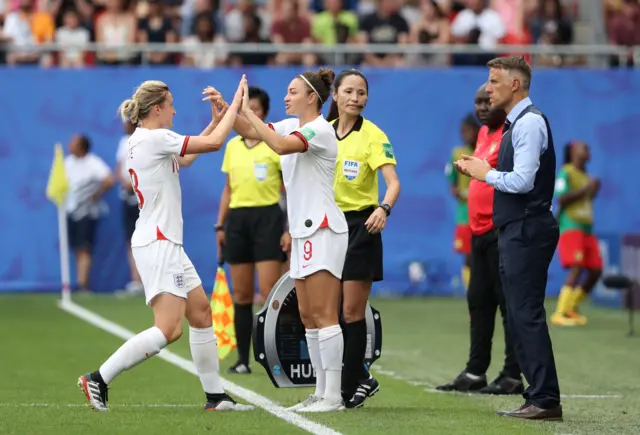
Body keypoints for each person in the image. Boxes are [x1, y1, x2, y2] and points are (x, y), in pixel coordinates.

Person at [77, 77, 255, 413]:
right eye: (171, 105)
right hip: (158, 242)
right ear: (157, 108)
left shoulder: (145, 139)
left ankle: (215, 397)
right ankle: (98, 378)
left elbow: (188, 157)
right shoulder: (154, 138)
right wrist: (235, 106)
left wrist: (216, 120)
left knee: (202, 314)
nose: (175, 110)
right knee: (169, 328)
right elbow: (215, 145)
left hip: (164, 241)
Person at [231, 68, 349, 413]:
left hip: (324, 229)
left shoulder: (320, 130)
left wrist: (249, 110)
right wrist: (228, 109)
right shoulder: (291, 125)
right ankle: (320, 392)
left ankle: (334, 396)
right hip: (301, 231)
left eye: (292, 92)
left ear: (312, 97)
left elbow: (279, 145)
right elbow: (249, 131)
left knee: (326, 314)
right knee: (308, 315)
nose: (286, 97)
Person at [454, 56, 562, 420]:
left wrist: (486, 174)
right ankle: (538, 395)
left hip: (527, 226)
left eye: (494, 82)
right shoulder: (518, 124)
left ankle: (544, 398)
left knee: (525, 313)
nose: (488, 88)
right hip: (518, 227)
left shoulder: (529, 124)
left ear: (515, 85)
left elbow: (523, 182)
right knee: (520, 313)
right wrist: (482, 170)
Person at [437, 83, 522, 395]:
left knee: (508, 304)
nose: (482, 107)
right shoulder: (484, 135)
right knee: (479, 302)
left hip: (502, 232)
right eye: (477, 102)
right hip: (480, 232)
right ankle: (475, 372)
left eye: (487, 101)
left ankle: (513, 374)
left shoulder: (513, 134)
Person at [326, 69, 401, 408]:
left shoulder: (372, 135)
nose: (356, 98)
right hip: (327, 227)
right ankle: (362, 378)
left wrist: (383, 208)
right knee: (328, 313)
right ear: (335, 95)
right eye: (350, 92)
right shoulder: (323, 133)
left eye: (362, 92)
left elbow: (394, 182)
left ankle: (346, 388)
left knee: (352, 312)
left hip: (361, 227)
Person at [214, 86, 291, 375]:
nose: (251, 114)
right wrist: (220, 225)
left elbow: (289, 190)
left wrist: (288, 228)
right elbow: (228, 189)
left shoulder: (273, 144)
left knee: (270, 293)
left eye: (256, 110)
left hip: (269, 219)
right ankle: (243, 360)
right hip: (238, 221)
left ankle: (277, 356)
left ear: (264, 114)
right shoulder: (232, 146)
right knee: (242, 295)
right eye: (247, 108)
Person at [551, 141, 602, 327]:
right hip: (571, 225)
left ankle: (571, 307)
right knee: (577, 267)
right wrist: (587, 188)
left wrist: (593, 190)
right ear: (573, 151)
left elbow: (585, 198)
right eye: (584, 147)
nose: (588, 150)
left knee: (596, 270)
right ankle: (559, 312)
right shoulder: (566, 172)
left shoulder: (585, 175)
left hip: (586, 228)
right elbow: (562, 198)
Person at [65, 134, 115, 292]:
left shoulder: (93, 163)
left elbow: (109, 180)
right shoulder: (67, 163)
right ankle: (81, 282)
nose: (70, 145)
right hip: (70, 210)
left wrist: (96, 195)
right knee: (76, 248)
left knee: (84, 248)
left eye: (73, 143)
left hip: (87, 213)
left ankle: (82, 284)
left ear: (82, 146)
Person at [445, 114, 478, 291]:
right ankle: (471, 290)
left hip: (484, 211)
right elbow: (452, 183)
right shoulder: (457, 154)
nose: (466, 134)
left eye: (469, 130)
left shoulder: (484, 151)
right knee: (468, 254)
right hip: (465, 213)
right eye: (463, 131)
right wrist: (459, 192)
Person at [115, 121, 144, 295]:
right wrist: (125, 182)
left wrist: (135, 184)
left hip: (142, 198)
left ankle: (149, 281)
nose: (124, 124)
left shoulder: (143, 141)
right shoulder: (122, 143)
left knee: (147, 239)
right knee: (131, 241)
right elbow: (119, 168)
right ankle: (136, 280)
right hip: (127, 197)